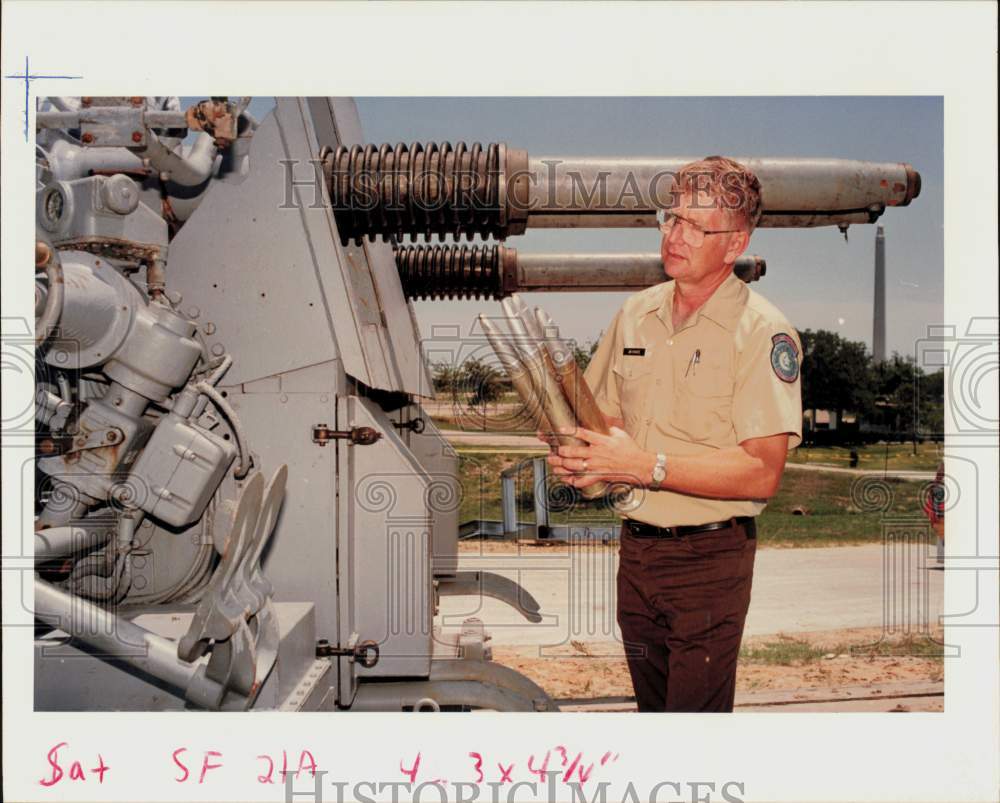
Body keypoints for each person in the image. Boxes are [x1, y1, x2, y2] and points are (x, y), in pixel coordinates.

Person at [546, 156, 803, 712]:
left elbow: (762, 471)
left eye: (694, 225)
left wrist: (644, 465)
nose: (673, 235)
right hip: (637, 556)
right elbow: (604, 421)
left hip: (709, 561)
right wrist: (580, 454)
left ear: (735, 244)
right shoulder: (635, 314)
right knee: (654, 716)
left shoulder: (762, 332)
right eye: (671, 218)